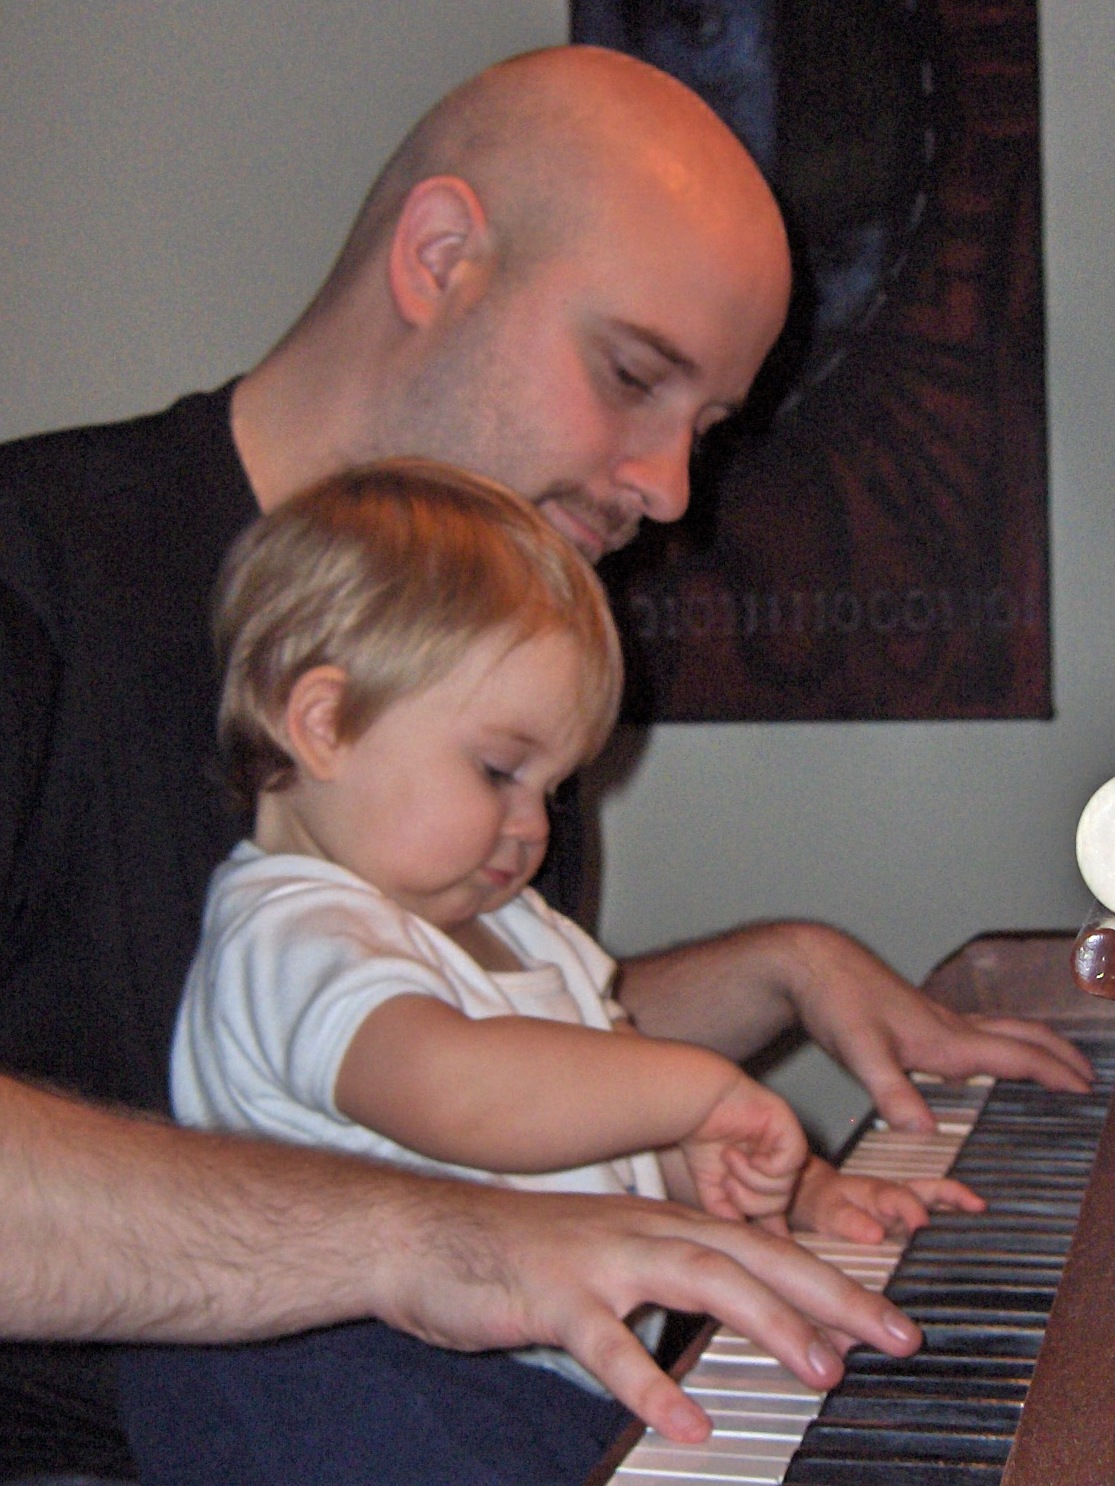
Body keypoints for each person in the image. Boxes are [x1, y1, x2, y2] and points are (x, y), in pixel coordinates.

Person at [0, 42, 1091, 1485]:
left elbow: (455, 1016)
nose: (669, 490)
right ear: (440, 257)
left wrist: (781, 969)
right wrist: (434, 1241)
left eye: (704, 429)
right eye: (632, 375)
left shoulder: (496, 683)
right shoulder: (33, 574)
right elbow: (409, 1101)